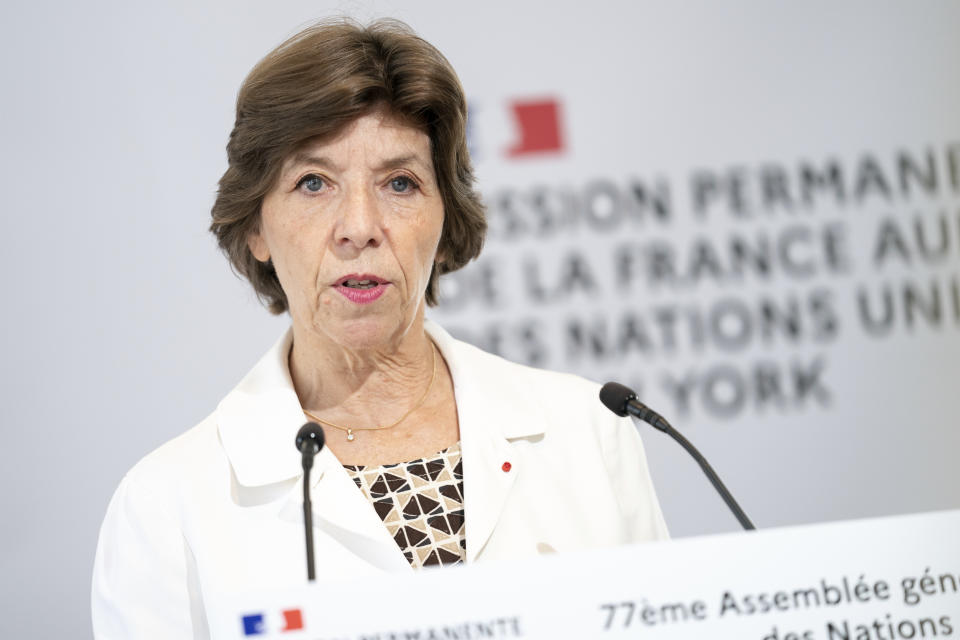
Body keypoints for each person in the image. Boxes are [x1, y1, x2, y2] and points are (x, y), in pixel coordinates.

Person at [91, 18, 668, 638]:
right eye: (313, 183)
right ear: (256, 227)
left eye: (400, 183)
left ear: (445, 220)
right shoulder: (166, 503)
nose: (358, 226)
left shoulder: (587, 431)